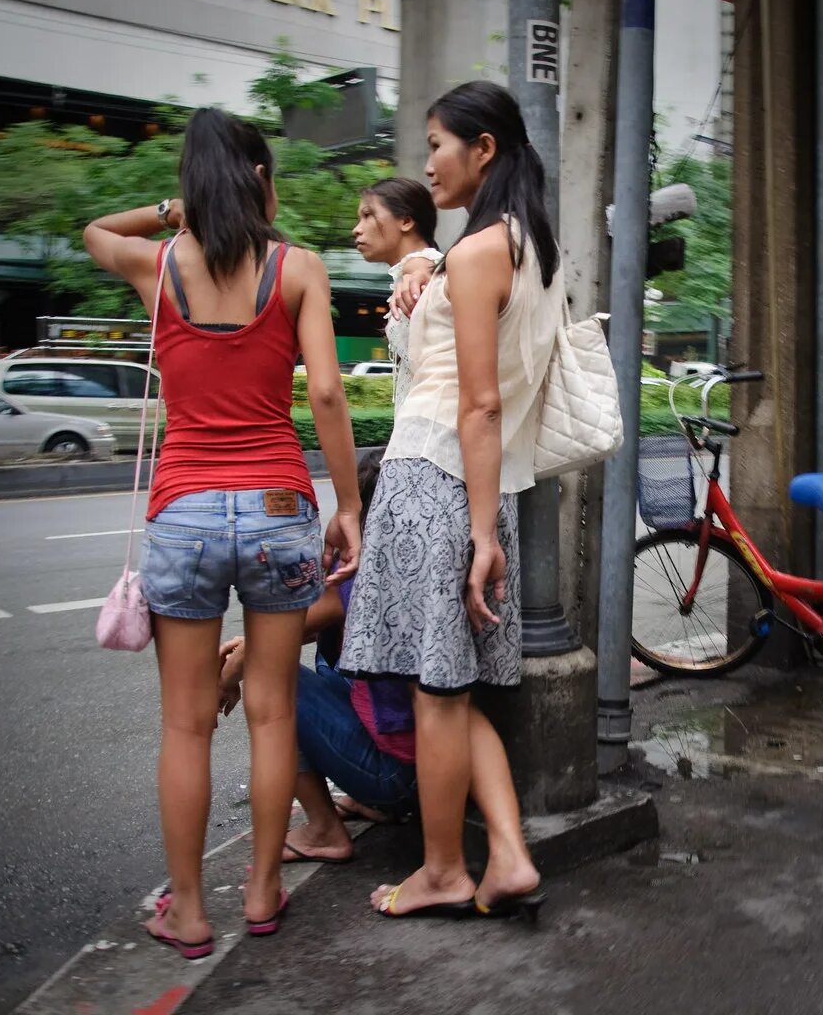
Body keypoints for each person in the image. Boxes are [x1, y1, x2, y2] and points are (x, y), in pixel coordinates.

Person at [83, 107, 362, 958]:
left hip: (186, 511)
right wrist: (347, 505)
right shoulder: (298, 268)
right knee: (272, 715)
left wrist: (174, 212)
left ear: (191, 182)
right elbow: (324, 395)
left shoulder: (157, 264)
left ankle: (192, 913)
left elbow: (92, 231)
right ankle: (265, 888)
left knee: (186, 724)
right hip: (279, 506)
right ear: (260, 177)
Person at [339, 81, 562, 919]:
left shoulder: (474, 254)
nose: (426, 161)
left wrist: (477, 537)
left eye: (436, 143)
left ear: (484, 149)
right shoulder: (528, 244)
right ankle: (505, 856)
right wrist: (425, 272)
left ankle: (442, 870)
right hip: (479, 485)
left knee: (435, 695)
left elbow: (478, 402)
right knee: (453, 688)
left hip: (437, 480)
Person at [216, 450, 418, 867]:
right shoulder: (413, 565)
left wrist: (227, 677)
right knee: (300, 657)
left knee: (268, 678)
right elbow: (298, 629)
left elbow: (272, 645)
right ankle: (369, 802)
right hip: (424, 771)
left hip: (397, 775)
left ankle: (324, 828)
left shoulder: (359, 582)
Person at [352, 177, 444, 406]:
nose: (356, 230)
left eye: (367, 216)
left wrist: (418, 271)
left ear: (405, 220)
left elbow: (423, 264)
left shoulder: (423, 270)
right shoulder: (409, 275)